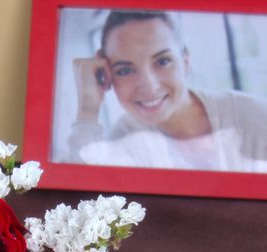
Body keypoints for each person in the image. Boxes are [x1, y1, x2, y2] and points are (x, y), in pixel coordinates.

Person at [67, 9, 267, 171]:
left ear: (185, 62)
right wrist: (87, 108)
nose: (149, 86)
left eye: (163, 61)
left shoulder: (251, 115)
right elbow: (81, 202)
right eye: (125, 70)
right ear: (107, 75)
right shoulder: (125, 136)